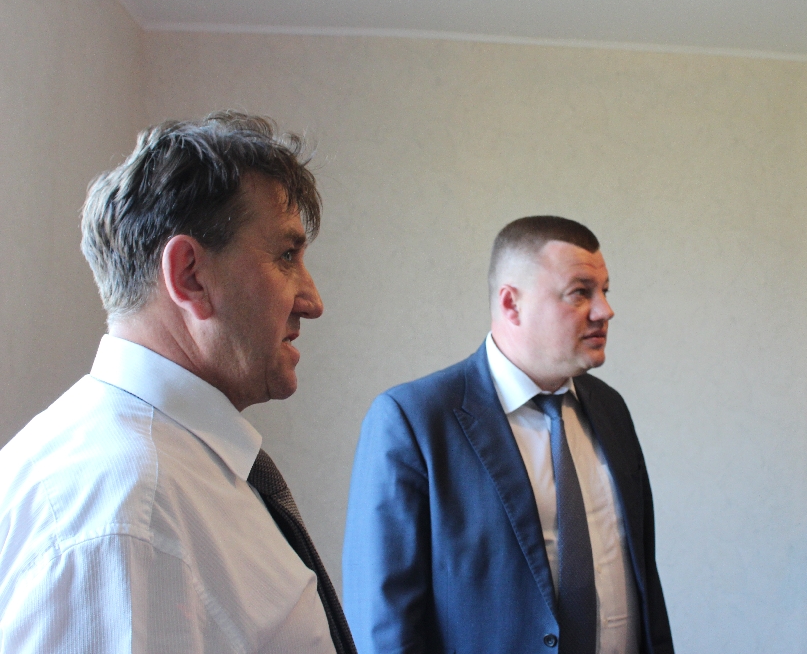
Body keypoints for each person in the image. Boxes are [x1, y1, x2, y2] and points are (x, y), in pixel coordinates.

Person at [0, 112, 357, 653]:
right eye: (287, 256)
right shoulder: (128, 515)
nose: (312, 300)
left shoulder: (158, 480)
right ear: (190, 274)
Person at [342, 216, 674, 654]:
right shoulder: (414, 421)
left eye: (605, 291)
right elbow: (384, 625)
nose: (604, 311)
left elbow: (644, 584)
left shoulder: (610, 409)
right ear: (511, 303)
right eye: (580, 292)